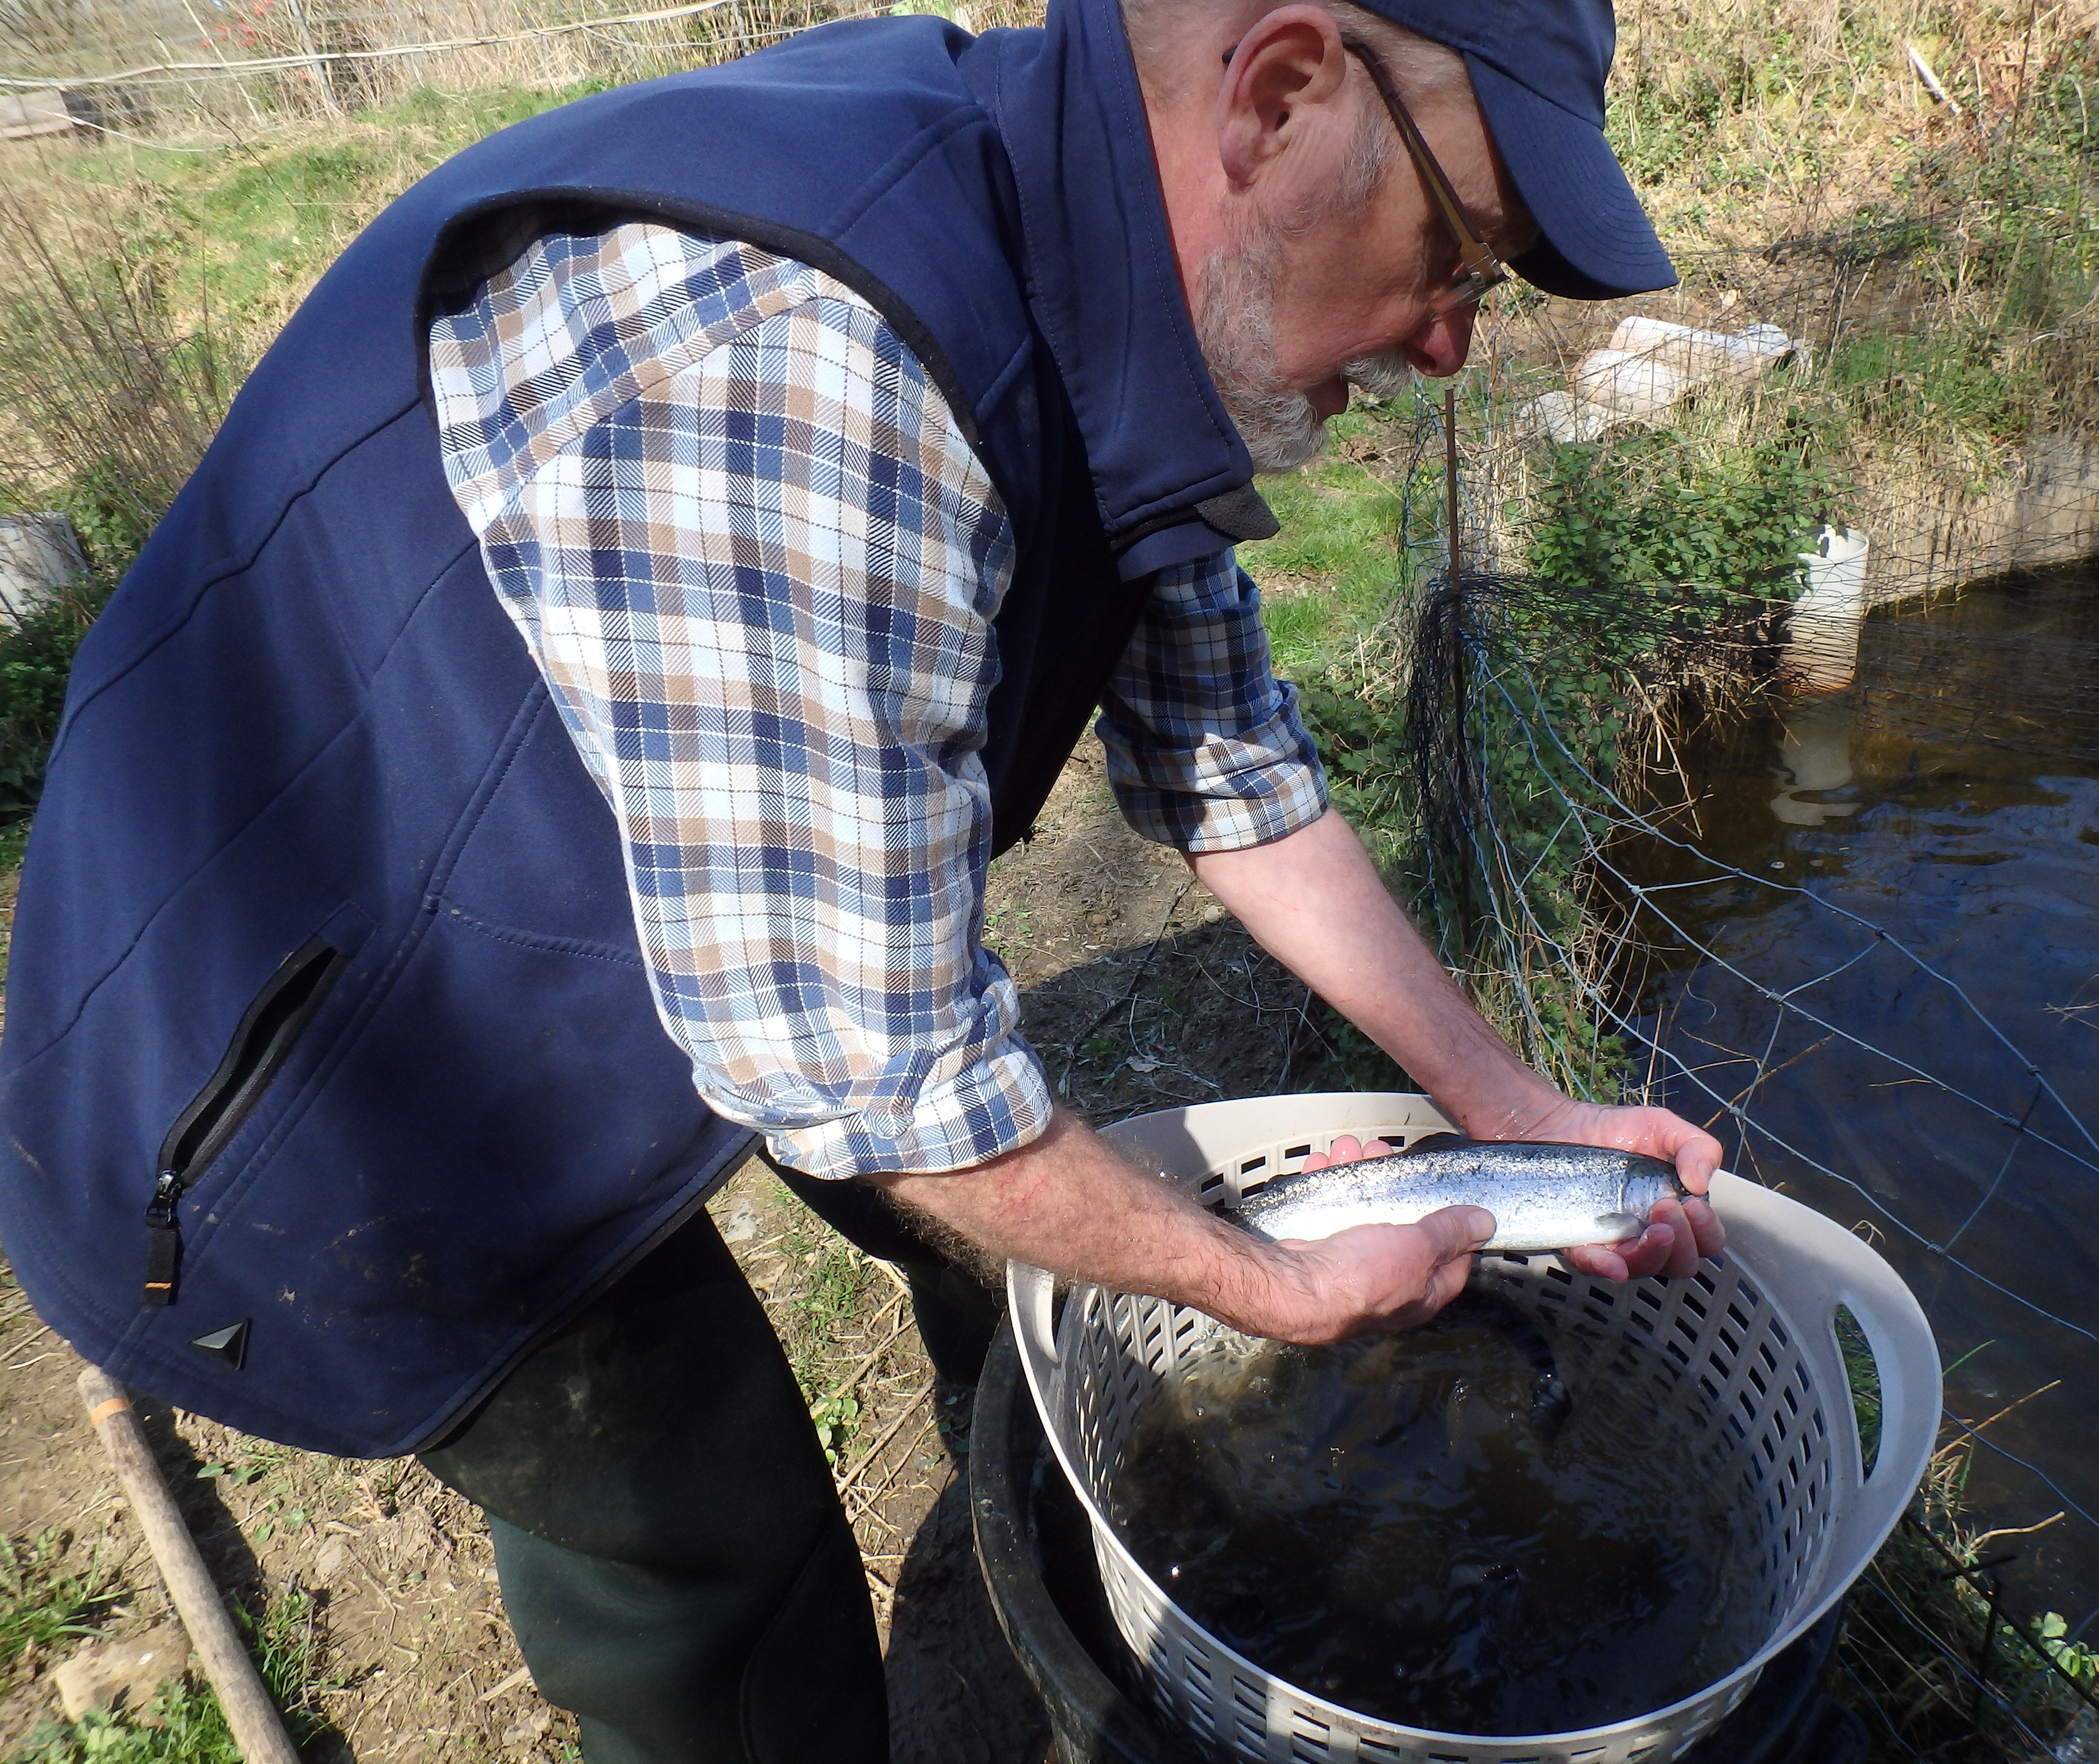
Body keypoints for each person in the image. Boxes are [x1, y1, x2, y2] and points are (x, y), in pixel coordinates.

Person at [0, 0, 1727, 1757]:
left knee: (1012, 1242)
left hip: (672, 910)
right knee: (718, 1576)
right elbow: (873, 1078)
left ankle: (1012, 1517)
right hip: (317, 1062)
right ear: (1281, 96)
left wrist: (1519, 1112)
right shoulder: (812, 359)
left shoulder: (1115, 298)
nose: (1451, 342)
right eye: (1456, 251)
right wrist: (1273, 1290)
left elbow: (1236, 776)